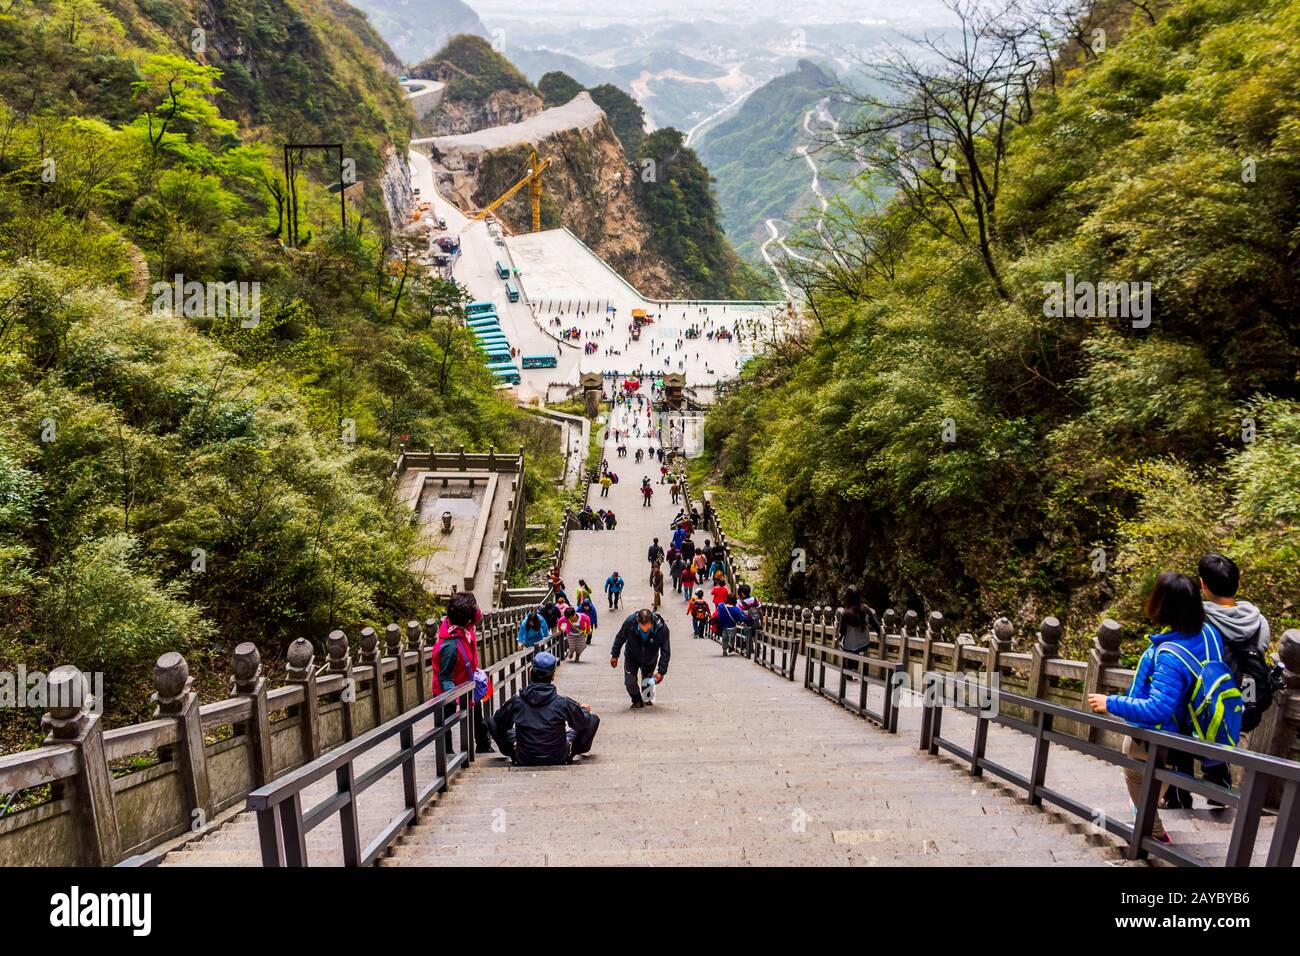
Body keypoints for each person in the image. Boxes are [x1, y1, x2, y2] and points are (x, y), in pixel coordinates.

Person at [1087, 572, 1239, 844]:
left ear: (1162, 604)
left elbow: (1157, 708)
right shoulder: (1209, 634)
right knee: (1155, 774)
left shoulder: (1170, 655)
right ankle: (1149, 806)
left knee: (1133, 763)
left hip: (1164, 737)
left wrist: (1110, 702)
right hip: (1190, 731)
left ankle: (1153, 833)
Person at [1160, 553, 1276, 807]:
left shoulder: (1196, 618)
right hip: (1237, 700)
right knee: (1222, 726)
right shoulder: (1258, 621)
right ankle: (1218, 788)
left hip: (1201, 697)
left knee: (1184, 731)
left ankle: (1178, 794)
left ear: (1202, 584)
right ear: (1237, 582)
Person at [487, 651, 599, 765]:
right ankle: (572, 750)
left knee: (493, 721)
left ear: (530, 673)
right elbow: (583, 722)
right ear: (553, 676)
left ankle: (515, 749)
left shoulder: (517, 702)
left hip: (525, 757)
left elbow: (498, 722)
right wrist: (584, 711)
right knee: (592, 719)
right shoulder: (562, 702)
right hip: (558, 756)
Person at [432, 592, 493, 753]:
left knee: (476, 715)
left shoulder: (464, 627)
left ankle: (483, 744)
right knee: (446, 722)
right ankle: (447, 754)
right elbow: (444, 676)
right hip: (449, 690)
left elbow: (477, 614)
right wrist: (456, 696)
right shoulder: (450, 646)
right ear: (468, 620)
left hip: (467, 683)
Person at [610, 608, 671, 709]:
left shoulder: (662, 629)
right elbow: (620, 637)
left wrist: (661, 671)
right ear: (638, 622)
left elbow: (666, 651)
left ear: (652, 623)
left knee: (647, 681)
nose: (645, 630)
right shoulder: (630, 623)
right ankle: (636, 700)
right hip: (631, 656)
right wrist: (614, 655)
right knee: (630, 682)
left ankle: (647, 698)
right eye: (642, 628)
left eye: (648, 628)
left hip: (650, 658)